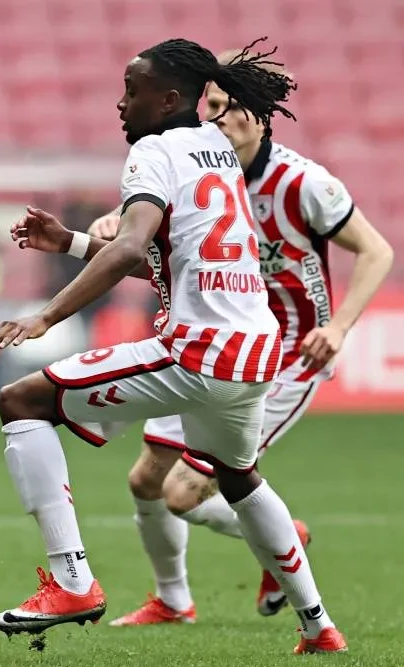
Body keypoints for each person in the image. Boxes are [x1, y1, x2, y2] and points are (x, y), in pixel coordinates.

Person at [0, 38, 346, 654]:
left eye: (133, 91)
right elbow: (161, 258)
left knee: (22, 402)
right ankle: (319, 627)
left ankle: (72, 581)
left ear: (171, 98)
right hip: (257, 350)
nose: (121, 104)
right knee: (239, 477)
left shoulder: (153, 151)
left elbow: (131, 248)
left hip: (200, 352)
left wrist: (47, 316)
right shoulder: (217, 149)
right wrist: (71, 241)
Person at [70, 49, 394, 628]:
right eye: (208, 107)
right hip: (209, 344)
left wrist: (338, 326)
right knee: (145, 477)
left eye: (223, 108)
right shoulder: (200, 166)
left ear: (257, 116)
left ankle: (281, 547)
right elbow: (154, 229)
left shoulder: (303, 182)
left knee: (184, 490)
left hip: (288, 352)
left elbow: (376, 251)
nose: (212, 118)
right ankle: (174, 599)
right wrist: (113, 227)